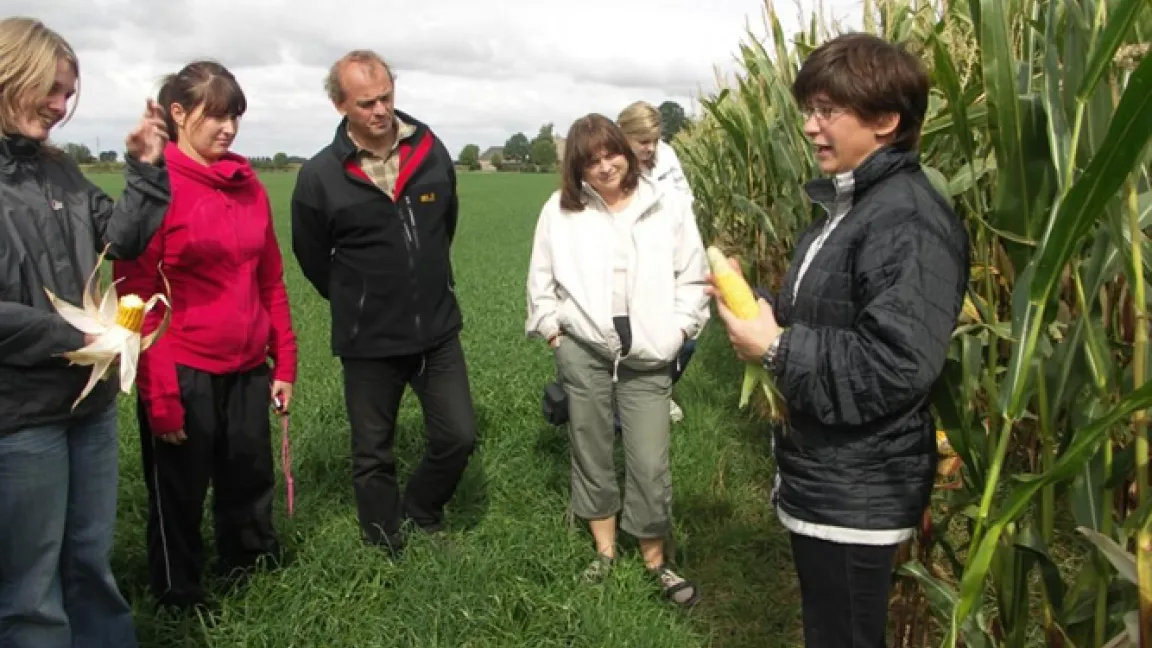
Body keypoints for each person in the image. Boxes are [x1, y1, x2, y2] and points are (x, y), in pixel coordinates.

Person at [709, 33, 969, 647]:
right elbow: (824, 317)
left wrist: (773, 348)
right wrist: (759, 306)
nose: (809, 127)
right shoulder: (851, 208)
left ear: (886, 119)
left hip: (859, 492)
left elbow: (895, 363)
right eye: (808, 111)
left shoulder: (905, 219)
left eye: (828, 111)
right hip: (831, 478)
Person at [0, 16, 170, 648]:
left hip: (88, 407)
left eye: (68, 93)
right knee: (29, 594)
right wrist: (77, 334)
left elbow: (119, 236)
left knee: (90, 566)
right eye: (50, 87)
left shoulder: (57, 170)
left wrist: (145, 169)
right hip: (18, 420)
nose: (59, 104)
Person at [112, 60, 298, 611]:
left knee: (248, 480)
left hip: (245, 367)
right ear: (177, 113)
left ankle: (251, 576)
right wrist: (161, 396)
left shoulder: (249, 186)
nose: (229, 129)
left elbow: (271, 279)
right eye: (215, 116)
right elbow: (136, 300)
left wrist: (283, 362)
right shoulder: (157, 189)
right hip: (182, 367)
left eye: (234, 116)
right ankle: (179, 595)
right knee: (179, 492)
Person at [291, 50, 477, 556]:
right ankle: (382, 548)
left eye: (386, 98)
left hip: (437, 330)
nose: (380, 110)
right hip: (368, 338)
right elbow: (311, 256)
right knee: (373, 452)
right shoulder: (320, 176)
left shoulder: (430, 149)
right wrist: (358, 298)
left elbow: (444, 226)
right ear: (339, 105)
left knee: (458, 435)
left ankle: (421, 510)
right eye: (366, 102)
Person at [525, 113, 709, 607]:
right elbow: (540, 278)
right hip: (583, 348)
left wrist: (681, 330)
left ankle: (656, 560)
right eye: (592, 160)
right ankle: (604, 553)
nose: (605, 167)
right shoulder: (559, 211)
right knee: (591, 451)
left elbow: (694, 276)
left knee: (649, 462)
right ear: (577, 168)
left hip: (650, 351)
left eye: (612, 154)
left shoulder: (665, 204)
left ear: (627, 152)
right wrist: (551, 328)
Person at [617, 101, 696, 424]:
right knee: (629, 335)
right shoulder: (610, 162)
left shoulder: (667, 156)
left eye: (655, 140)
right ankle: (621, 404)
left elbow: (685, 200)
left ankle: (660, 392)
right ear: (625, 135)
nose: (651, 148)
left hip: (667, 257)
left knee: (682, 339)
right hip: (627, 263)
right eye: (643, 141)